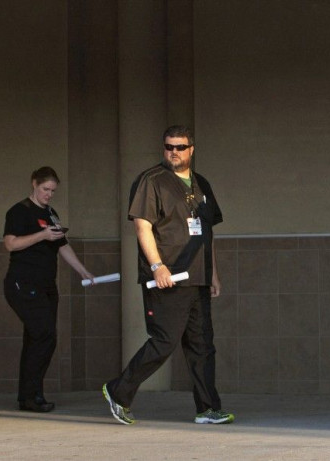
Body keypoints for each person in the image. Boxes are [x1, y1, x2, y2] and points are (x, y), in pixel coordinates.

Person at [102, 125, 233, 425]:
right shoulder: (152, 181)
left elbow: (206, 232)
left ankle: (207, 408)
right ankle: (118, 391)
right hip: (168, 277)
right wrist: (157, 265)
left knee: (202, 345)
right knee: (164, 340)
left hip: (198, 277)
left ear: (191, 149)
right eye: (169, 147)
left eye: (180, 147)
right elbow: (142, 226)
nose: (174, 152)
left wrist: (212, 272)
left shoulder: (201, 184)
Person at [3, 166, 95, 412]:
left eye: (53, 191)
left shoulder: (52, 213)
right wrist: (42, 235)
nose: (49, 194)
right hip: (23, 284)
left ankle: (29, 396)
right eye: (45, 189)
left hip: (46, 285)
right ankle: (32, 396)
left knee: (37, 337)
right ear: (34, 184)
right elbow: (11, 244)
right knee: (45, 336)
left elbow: (62, 245)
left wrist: (82, 270)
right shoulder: (19, 211)